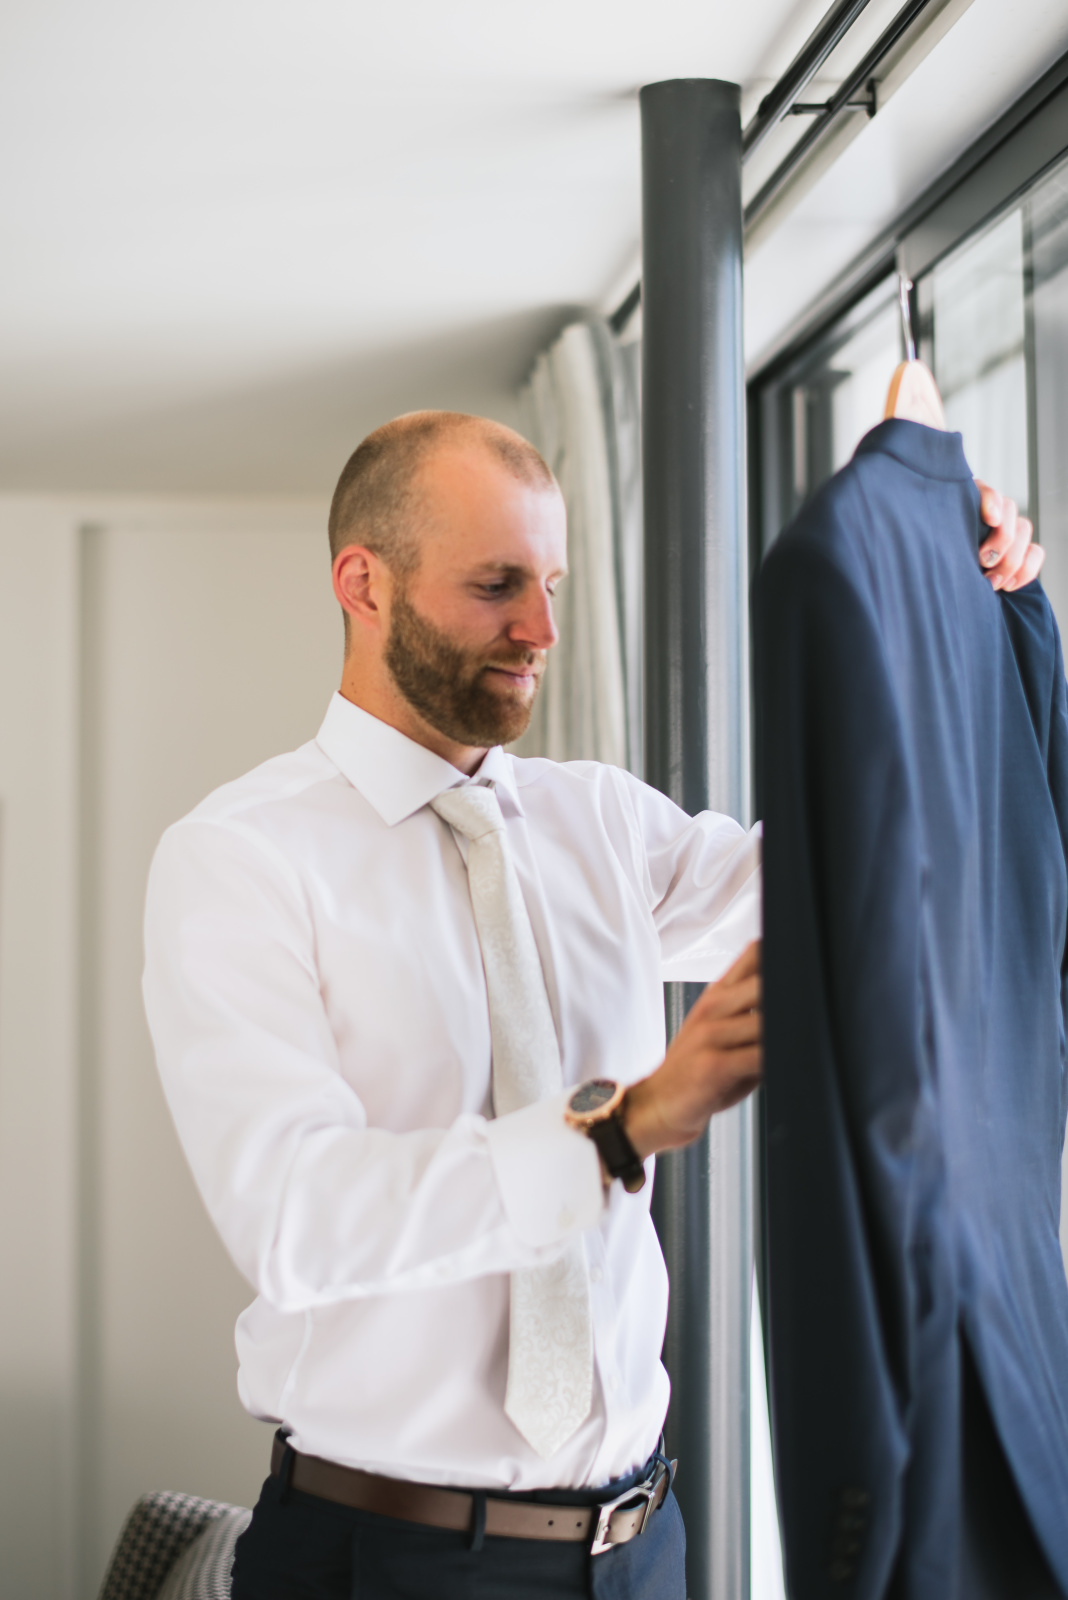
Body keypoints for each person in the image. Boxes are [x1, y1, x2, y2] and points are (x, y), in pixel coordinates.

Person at [142, 411, 1042, 1600]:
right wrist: (623, 1127)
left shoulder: (601, 822)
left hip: (642, 1552)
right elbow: (300, 1219)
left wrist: (954, 609)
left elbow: (866, 875)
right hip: (389, 1560)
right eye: (497, 585)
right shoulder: (241, 858)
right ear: (363, 584)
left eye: (553, 585)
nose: (544, 630)